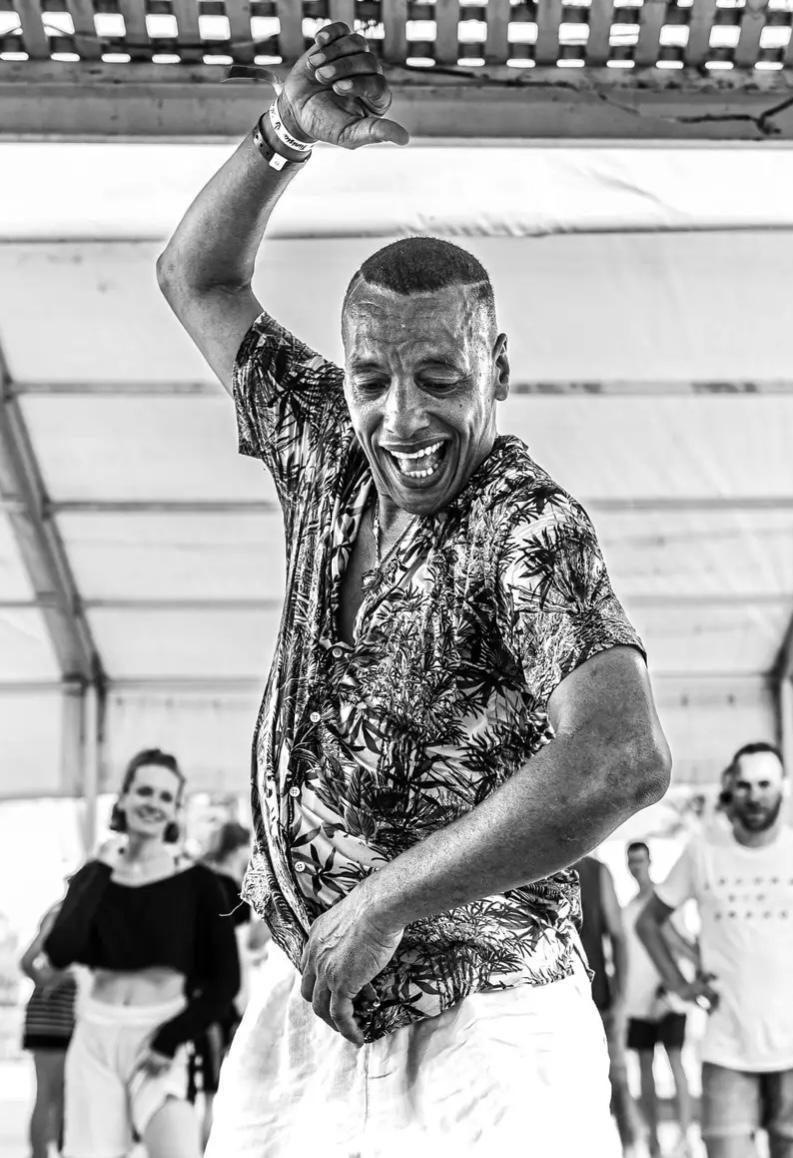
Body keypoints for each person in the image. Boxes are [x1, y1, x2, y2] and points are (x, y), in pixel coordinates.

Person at [157, 23, 672, 1155]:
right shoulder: (324, 447)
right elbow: (196, 276)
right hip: (312, 1002)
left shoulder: (525, 523)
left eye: (441, 379)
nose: (402, 419)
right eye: (372, 380)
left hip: (487, 1027)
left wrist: (387, 901)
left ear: (499, 370)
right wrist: (283, 135)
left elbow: (621, 759)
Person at [636, 742, 793, 1158]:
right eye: (745, 785)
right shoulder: (702, 854)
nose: (755, 796)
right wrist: (679, 985)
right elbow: (648, 922)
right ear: (731, 788)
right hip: (727, 1043)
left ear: (781, 788)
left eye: (764, 785)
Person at [40, 749, 240, 1158]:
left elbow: (226, 982)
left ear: (175, 810)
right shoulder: (93, 875)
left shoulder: (201, 884)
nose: (153, 803)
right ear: (124, 798)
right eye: (144, 791)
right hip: (95, 1038)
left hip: (161, 1032)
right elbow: (59, 952)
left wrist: (169, 1040)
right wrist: (99, 871)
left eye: (166, 797)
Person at [624, 841, 698, 1158]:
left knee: (676, 1062)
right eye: (631, 861)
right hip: (637, 1003)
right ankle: (653, 1141)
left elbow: (681, 948)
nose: (636, 866)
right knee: (644, 1071)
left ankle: (685, 1138)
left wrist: (669, 992)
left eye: (640, 860)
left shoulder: (666, 904)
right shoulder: (627, 911)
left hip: (670, 999)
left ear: (650, 861)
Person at [190, 821, 254, 1146]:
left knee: (203, 1085)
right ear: (238, 849)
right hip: (220, 995)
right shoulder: (228, 888)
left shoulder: (200, 882)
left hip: (198, 990)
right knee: (215, 1087)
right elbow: (241, 946)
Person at [577, 854, 642, 1155]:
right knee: (614, 1084)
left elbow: (618, 936)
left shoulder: (594, 871)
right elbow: (618, 936)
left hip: (597, 1002)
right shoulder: (594, 870)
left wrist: (622, 999)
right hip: (590, 1000)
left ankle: (631, 1148)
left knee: (616, 1084)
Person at [19, 903, 77, 1158]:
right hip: (55, 1023)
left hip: (53, 1021)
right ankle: (40, 1154)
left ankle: (51, 1151)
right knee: (49, 1094)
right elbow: (26, 962)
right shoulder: (62, 917)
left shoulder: (62, 914)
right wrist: (55, 978)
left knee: (58, 1094)